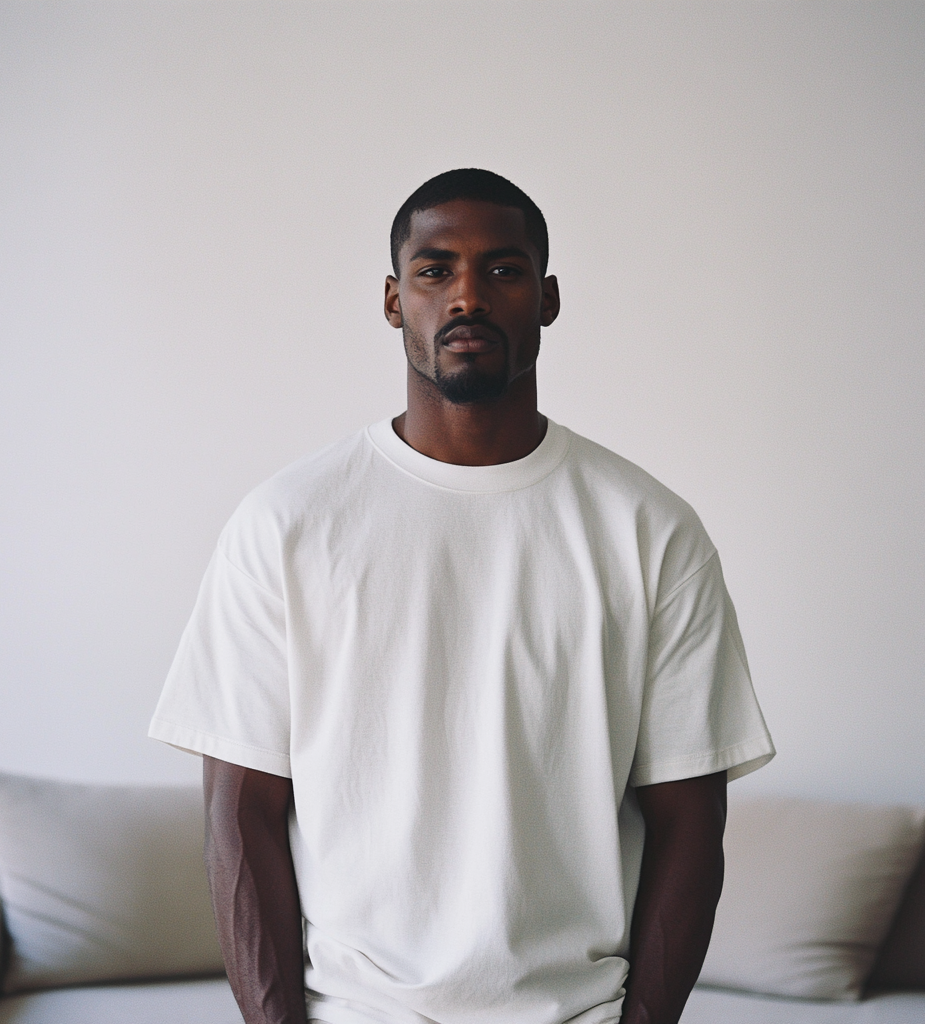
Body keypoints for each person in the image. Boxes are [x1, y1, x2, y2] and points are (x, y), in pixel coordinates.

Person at [150, 168, 774, 1024]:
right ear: (392, 298)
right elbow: (241, 814)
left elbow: (692, 823)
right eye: (435, 270)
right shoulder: (287, 524)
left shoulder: (651, 531)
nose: (468, 296)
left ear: (549, 298)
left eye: (503, 270)